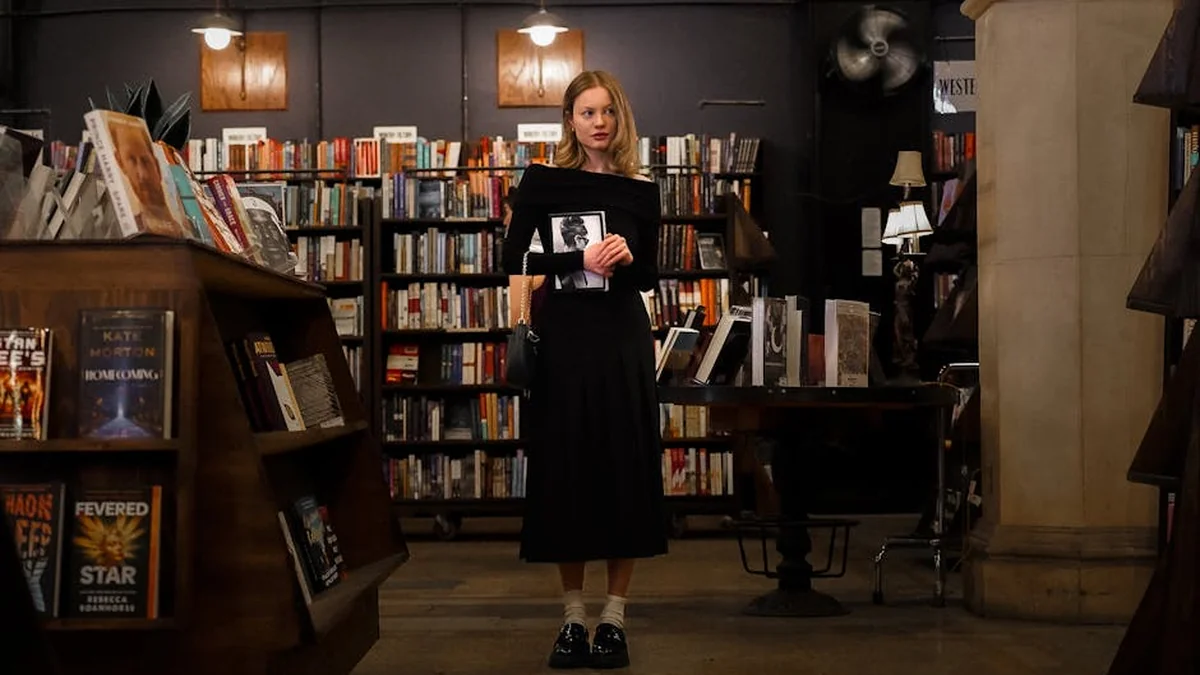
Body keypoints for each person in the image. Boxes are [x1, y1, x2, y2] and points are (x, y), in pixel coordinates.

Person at [502, 70, 666, 670]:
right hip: (564, 338)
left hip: (622, 337)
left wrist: (626, 258)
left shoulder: (641, 189)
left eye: (608, 111)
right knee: (566, 470)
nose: (599, 122)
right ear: (569, 120)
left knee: (625, 466)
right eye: (587, 112)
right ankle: (572, 618)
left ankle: (614, 618)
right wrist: (580, 255)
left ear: (621, 118)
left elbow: (649, 277)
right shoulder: (543, 181)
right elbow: (514, 257)